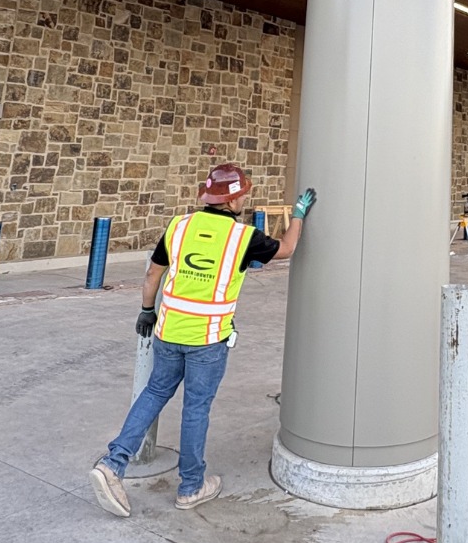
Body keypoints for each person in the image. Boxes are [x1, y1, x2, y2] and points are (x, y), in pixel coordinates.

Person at [89, 163, 316, 517]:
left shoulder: (179, 226)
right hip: (208, 339)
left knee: (154, 393)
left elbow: (153, 272)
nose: (245, 198)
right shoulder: (243, 237)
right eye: (243, 194)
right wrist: (299, 215)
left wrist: (147, 309)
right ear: (233, 199)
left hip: (168, 331)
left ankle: (113, 463)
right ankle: (191, 487)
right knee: (196, 408)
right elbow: (286, 249)